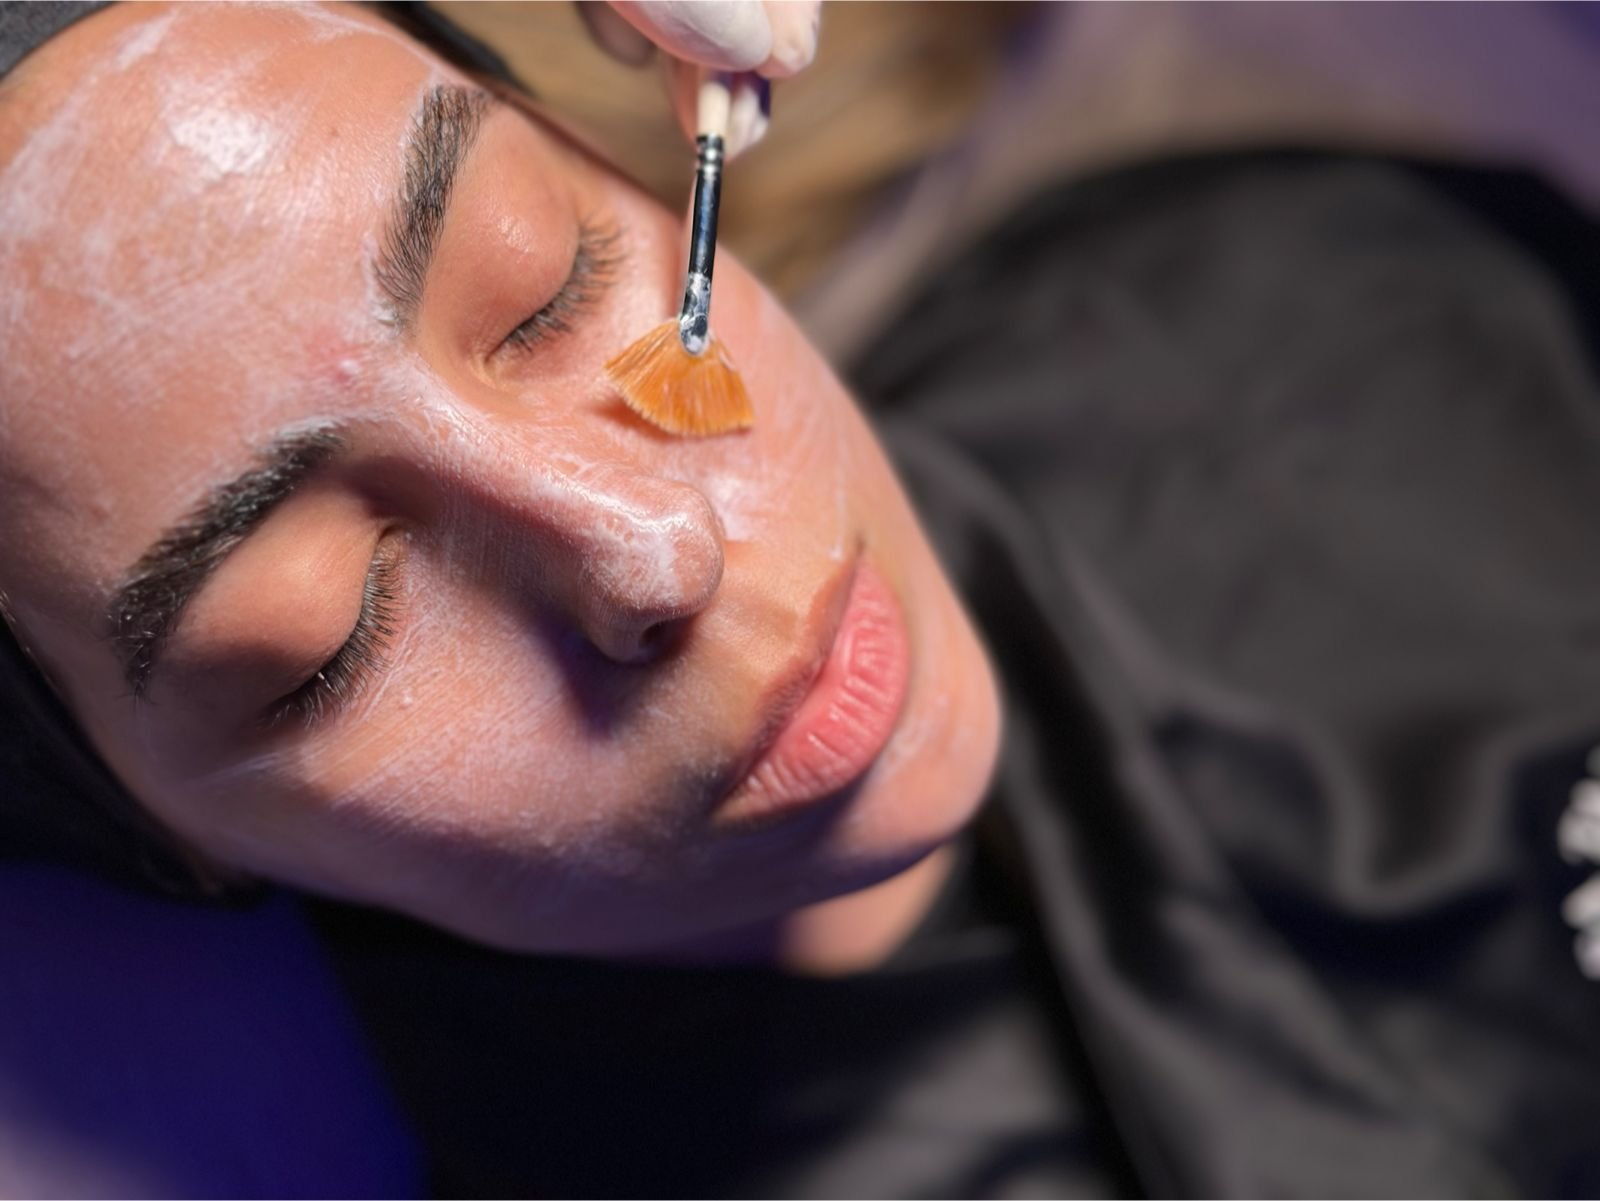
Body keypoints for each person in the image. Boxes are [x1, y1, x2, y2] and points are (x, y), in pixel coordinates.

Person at [4, 3, 1600, 1197]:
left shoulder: (1338, 308)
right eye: (334, 631)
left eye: (549, 283)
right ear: (168, 841)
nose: (656, 548)